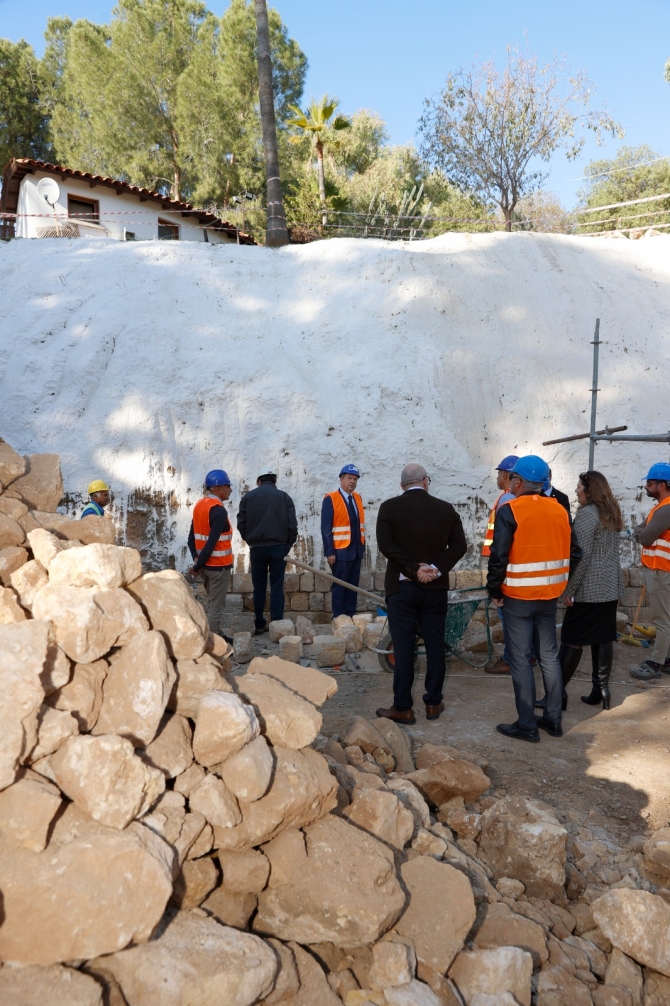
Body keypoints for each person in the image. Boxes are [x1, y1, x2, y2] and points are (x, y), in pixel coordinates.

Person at [487, 455, 581, 742]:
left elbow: (499, 557)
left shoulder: (511, 510)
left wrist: (494, 590)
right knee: (549, 656)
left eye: (513, 478)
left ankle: (527, 724)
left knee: (519, 659)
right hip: (549, 596)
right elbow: (575, 553)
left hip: (518, 597)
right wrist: (561, 582)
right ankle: (553, 720)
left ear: (518, 481)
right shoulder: (559, 510)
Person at [375, 463, 467, 724]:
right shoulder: (445, 509)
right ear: (425, 481)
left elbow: (386, 546)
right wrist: (434, 570)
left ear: (402, 484)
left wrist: (413, 569)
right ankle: (433, 704)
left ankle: (403, 707)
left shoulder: (389, 508)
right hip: (435, 590)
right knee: (435, 645)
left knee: (403, 647)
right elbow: (460, 545)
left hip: (402, 590)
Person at [539, 471, 624, 711]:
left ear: (590, 490)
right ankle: (602, 690)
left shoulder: (587, 515)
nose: (576, 490)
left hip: (589, 588)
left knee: (572, 639)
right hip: (610, 586)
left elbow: (582, 556)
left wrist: (569, 589)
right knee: (603, 637)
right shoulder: (612, 512)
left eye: (579, 486)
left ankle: (556, 696)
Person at [237, 469, 297, 635]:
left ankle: (259, 623)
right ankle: (277, 625)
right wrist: (287, 545)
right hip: (279, 547)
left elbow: (241, 524)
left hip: (257, 548)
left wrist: (250, 540)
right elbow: (292, 525)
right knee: (277, 586)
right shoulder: (284, 497)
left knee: (259, 586)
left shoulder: (248, 498)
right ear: (274, 481)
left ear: (259, 481)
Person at [629, 463, 670, 680]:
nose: (646, 486)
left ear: (662, 485)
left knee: (662, 620)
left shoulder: (666, 509)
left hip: (662, 572)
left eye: (650, 483)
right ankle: (667, 659)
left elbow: (643, 536)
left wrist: (642, 533)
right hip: (661, 570)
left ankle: (655, 664)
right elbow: (641, 529)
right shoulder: (660, 508)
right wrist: (642, 531)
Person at [187, 470, 234, 643]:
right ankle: (212, 644)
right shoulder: (219, 511)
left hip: (205, 566)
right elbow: (212, 542)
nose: (230, 489)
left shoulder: (200, 506)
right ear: (218, 488)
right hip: (218, 567)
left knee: (213, 603)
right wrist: (198, 567)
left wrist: (197, 562)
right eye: (228, 486)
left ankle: (217, 634)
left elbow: (192, 539)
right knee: (216, 607)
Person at [482, 455, 518, 675]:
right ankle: (527, 655)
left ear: (506, 475)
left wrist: (495, 579)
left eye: (498, 473)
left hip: (505, 567)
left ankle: (510, 659)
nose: (497, 477)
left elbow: (503, 543)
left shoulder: (507, 500)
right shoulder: (509, 497)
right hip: (511, 566)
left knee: (509, 617)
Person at [321, 464, 366, 618]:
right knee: (340, 586)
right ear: (341, 479)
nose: (352, 481)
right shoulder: (331, 498)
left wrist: (362, 547)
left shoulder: (358, 498)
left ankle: (351, 615)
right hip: (340, 551)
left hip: (356, 551)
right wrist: (330, 552)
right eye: (349, 478)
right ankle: (339, 618)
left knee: (352, 586)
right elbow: (326, 528)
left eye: (355, 479)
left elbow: (359, 525)